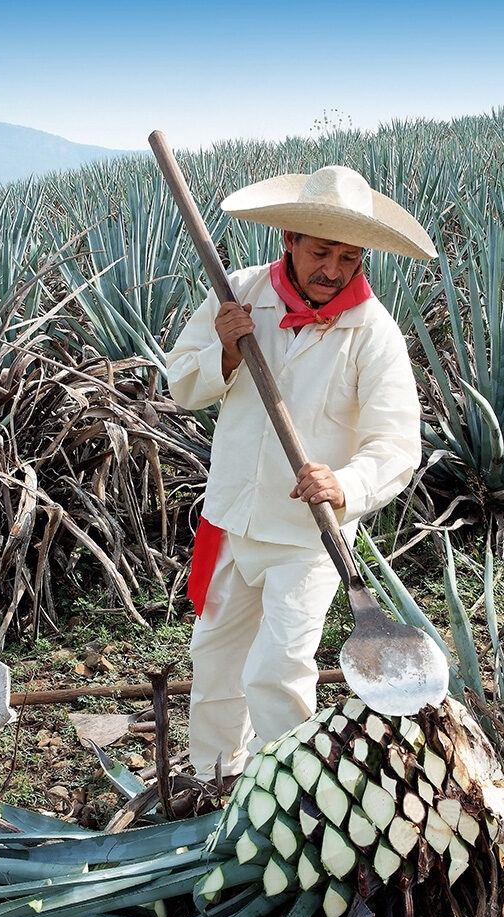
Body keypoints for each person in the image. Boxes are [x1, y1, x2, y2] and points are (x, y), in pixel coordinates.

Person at [165, 164, 436, 780]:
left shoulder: (374, 334)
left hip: (309, 535)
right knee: (215, 659)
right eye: (320, 251)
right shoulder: (236, 293)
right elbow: (180, 383)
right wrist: (226, 350)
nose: (333, 270)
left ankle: (285, 791)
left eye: (347, 256)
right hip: (232, 517)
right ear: (288, 239)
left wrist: (348, 483)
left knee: (281, 667)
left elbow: (396, 444)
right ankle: (213, 777)